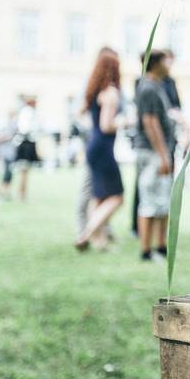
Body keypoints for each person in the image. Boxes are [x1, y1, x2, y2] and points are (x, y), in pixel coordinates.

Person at [75, 49, 124, 251]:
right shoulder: (111, 93)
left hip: (93, 144)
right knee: (117, 197)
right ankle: (86, 233)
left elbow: (80, 113)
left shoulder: (94, 91)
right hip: (104, 147)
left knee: (99, 196)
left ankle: (99, 242)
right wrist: (124, 121)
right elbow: (107, 125)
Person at [134, 49, 175, 262]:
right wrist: (163, 155)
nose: (169, 65)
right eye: (165, 61)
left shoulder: (156, 86)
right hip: (152, 152)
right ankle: (146, 250)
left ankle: (159, 247)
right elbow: (150, 123)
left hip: (156, 152)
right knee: (150, 201)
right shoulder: (148, 88)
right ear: (155, 64)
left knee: (161, 201)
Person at [13, 96, 41, 201]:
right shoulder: (28, 112)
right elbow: (25, 129)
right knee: (24, 171)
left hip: (26, 142)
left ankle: (22, 193)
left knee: (24, 171)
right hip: (26, 144)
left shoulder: (26, 112)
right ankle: (22, 194)